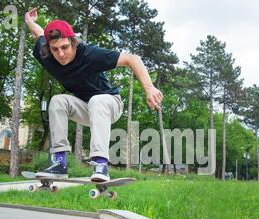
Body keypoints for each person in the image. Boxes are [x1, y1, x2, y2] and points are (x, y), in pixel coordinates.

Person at [24, 8, 163, 182]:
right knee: (57, 100)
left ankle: (100, 164)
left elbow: (132, 59)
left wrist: (149, 88)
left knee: (96, 101)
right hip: (84, 108)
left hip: (110, 103)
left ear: (73, 42)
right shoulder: (45, 53)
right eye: (55, 49)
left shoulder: (89, 54)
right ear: (49, 48)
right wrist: (29, 21)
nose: (60, 54)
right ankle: (59, 162)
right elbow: (39, 33)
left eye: (65, 47)